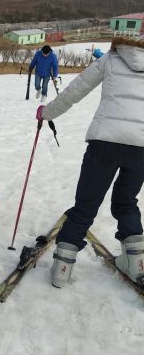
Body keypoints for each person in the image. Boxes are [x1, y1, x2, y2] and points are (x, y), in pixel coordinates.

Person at [37, 34, 144, 287]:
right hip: (141, 148)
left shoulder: (111, 59)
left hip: (104, 143)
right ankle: (137, 264)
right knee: (127, 202)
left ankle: (62, 270)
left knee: (85, 205)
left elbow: (76, 90)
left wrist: (47, 112)